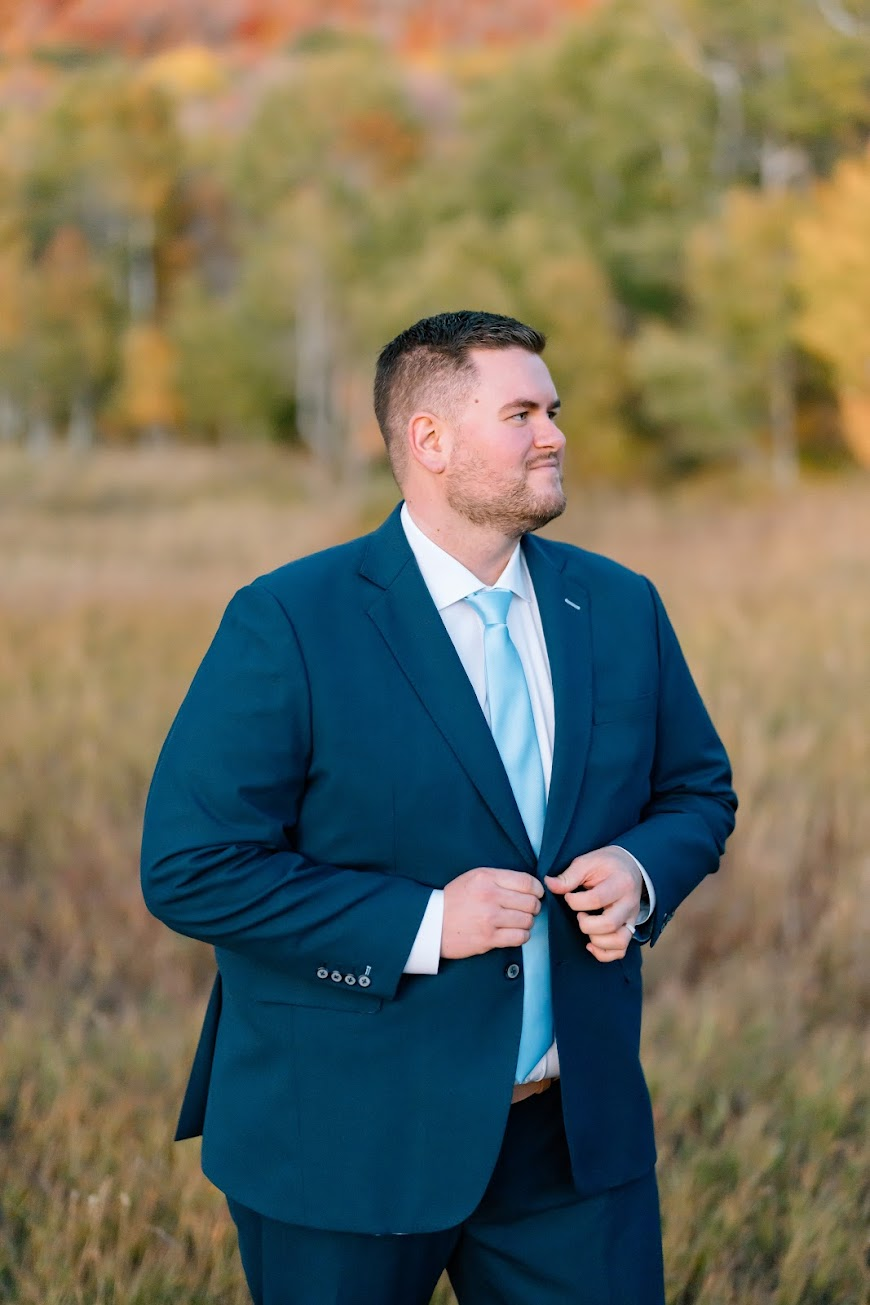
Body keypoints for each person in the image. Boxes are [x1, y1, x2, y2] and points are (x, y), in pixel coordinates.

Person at [141, 310, 737, 1305]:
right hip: (344, 1138)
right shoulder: (290, 619)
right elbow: (191, 866)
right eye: (521, 414)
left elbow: (695, 789)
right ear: (430, 440)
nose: (553, 435)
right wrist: (424, 922)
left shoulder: (620, 602)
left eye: (553, 411)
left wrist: (640, 871)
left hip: (569, 1140)